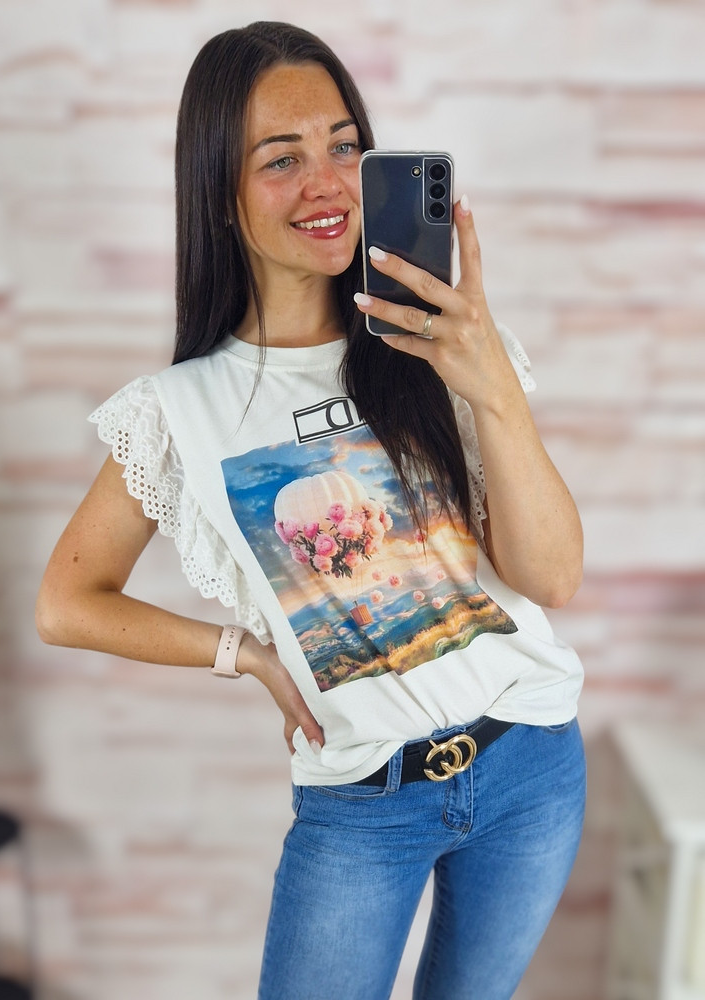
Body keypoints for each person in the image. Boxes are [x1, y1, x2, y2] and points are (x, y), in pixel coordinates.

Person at [36, 21, 586, 1000]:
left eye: (343, 146)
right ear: (219, 190)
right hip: (362, 809)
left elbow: (552, 576)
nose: (327, 183)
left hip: (531, 763)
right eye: (281, 158)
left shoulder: (442, 345)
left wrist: (492, 383)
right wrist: (244, 654)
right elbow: (66, 602)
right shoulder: (180, 410)